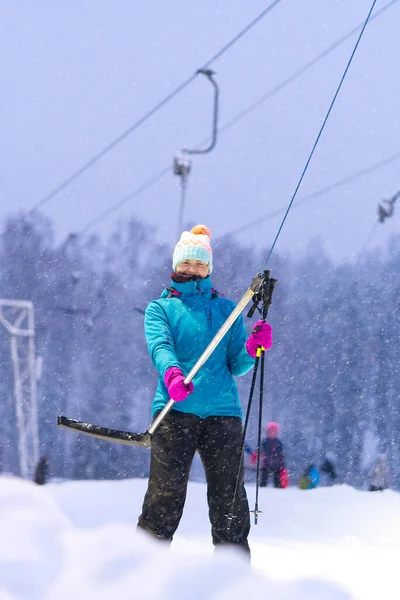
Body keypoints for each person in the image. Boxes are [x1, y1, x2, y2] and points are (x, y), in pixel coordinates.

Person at [137, 224, 273, 556]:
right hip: (174, 410)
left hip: (222, 413)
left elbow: (237, 363)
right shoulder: (161, 309)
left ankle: (233, 579)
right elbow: (161, 347)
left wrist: (254, 348)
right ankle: (141, 571)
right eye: (187, 262)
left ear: (208, 268)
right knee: (165, 497)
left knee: (229, 499)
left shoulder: (227, 310)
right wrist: (172, 375)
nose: (193, 269)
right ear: (176, 265)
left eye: (200, 264)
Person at [259, 421, 285, 488]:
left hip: (276, 465)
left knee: (277, 481)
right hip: (266, 464)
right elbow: (260, 451)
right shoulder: (265, 441)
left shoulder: (278, 442)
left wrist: (282, 465)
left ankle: (277, 488)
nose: (271, 433)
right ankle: (263, 487)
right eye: (270, 431)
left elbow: (281, 454)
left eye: (273, 431)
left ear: (276, 432)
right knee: (263, 479)